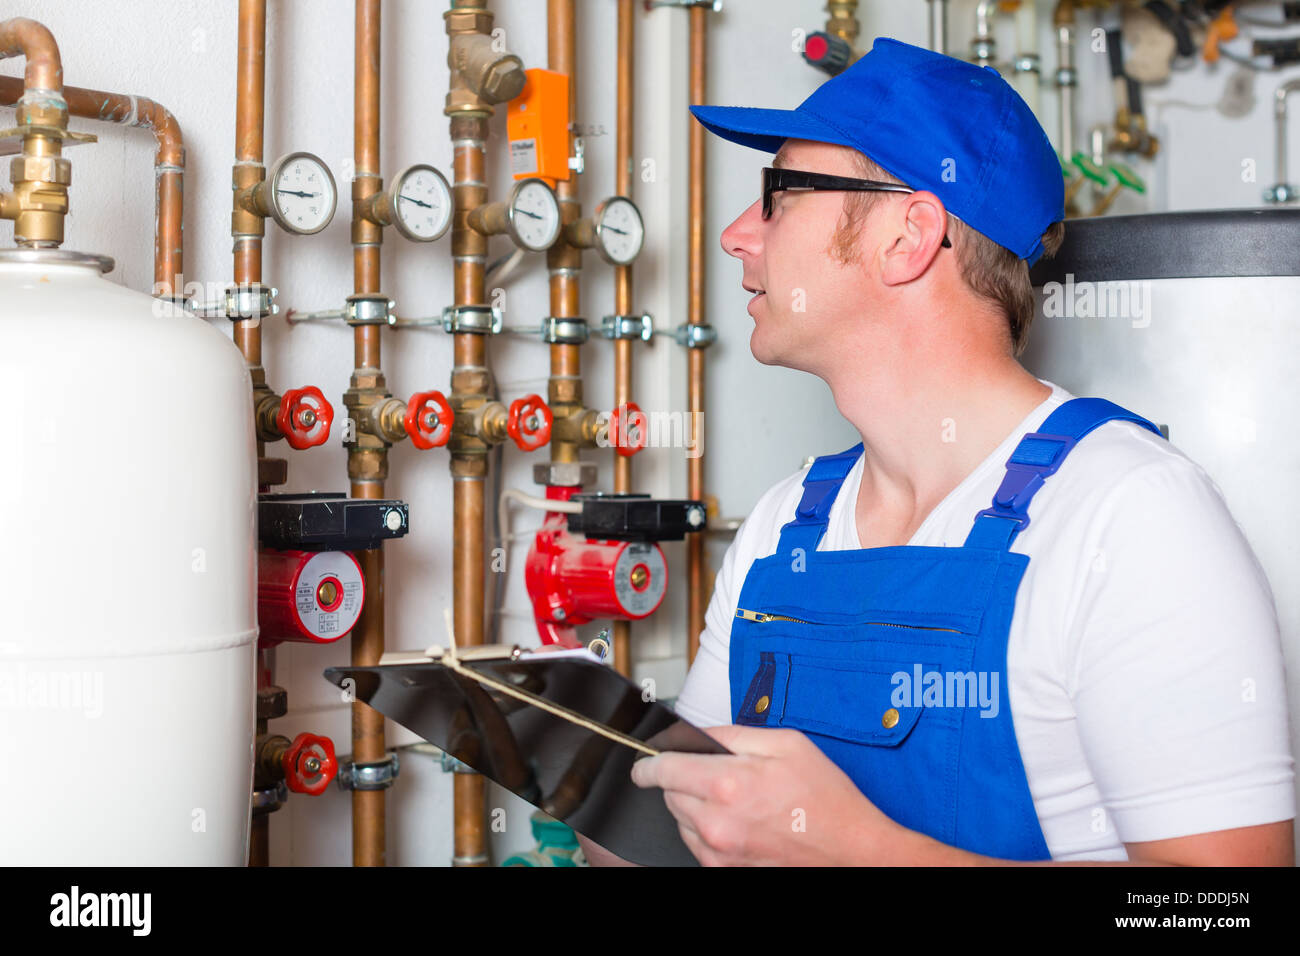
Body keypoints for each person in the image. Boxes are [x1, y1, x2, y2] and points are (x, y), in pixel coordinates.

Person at [584, 37, 1295, 866]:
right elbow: (669, 837)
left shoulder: (1130, 519)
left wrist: (858, 849)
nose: (739, 235)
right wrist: (568, 759)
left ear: (908, 235)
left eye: (779, 195)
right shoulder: (784, 528)